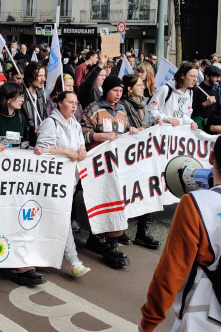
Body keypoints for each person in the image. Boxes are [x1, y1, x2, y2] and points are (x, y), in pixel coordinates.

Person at [138, 126, 221, 332]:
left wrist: (149, 321)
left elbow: (170, 273)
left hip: (205, 322)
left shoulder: (195, 204)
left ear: (212, 158)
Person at [0, 82, 46, 286]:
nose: (23, 99)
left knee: (16, 220)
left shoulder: (20, 118)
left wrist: (34, 150)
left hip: (16, 181)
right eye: (19, 97)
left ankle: (19, 264)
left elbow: (23, 144)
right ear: (8, 99)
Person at [81, 75, 141, 268]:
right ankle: (107, 241)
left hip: (117, 164)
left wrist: (131, 130)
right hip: (97, 164)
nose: (118, 95)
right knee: (102, 200)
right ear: (106, 90)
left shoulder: (122, 109)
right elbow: (81, 133)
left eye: (121, 91)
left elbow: (124, 131)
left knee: (115, 199)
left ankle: (102, 238)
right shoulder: (93, 108)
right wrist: (101, 135)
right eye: (115, 90)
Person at [34, 90, 92, 277]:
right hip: (52, 181)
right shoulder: (50, 123)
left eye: (76, 103)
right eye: (70, 102)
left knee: (54, 218)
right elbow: (42, 149)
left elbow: (80, 144)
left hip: (69, 181)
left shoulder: (74, 123)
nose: (74, 106)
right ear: (59, 103)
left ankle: (37, 257)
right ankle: (74, 261)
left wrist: (81, 150)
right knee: (62, 217)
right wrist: (67, 153)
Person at [119, 74, 161, 249]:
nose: (143, 87)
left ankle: (142, 231)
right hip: (129, 156)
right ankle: (118, 231)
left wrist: (155, 124)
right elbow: (123, 126)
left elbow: (146, 124)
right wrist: (132, 129)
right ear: (129, 89)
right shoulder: (125, 106)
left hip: (142, 154)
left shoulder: (142, 105)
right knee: (126, 193)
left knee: (146, 190)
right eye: (139, 85)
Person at [148, 62, 199, 130]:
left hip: (178, 135)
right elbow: (151, 110)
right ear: (182, 76)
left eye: (196, 77)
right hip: (162, 133)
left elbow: (184, 114)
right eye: (192, 76)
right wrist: (167, 119)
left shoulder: (190, 92)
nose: (195, 80)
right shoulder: (165, 90)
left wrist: (191, 122)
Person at [191, 64, 221, 130]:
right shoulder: (196, 90)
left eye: (219, 77)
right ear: (207, 77)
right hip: (198, 126)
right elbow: (191, 109)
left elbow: (218, 108)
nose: (219, 79)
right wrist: (204, 104)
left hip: (211, 126)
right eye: (216, 76)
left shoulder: (215, 92)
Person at [22, 61, 47, 147]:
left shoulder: (41, 95)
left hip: (39, 141)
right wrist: (32, 129)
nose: (43, 79)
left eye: (44, 75)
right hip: (26, 142)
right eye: (40, 76)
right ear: (29, 77)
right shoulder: (21, 96)